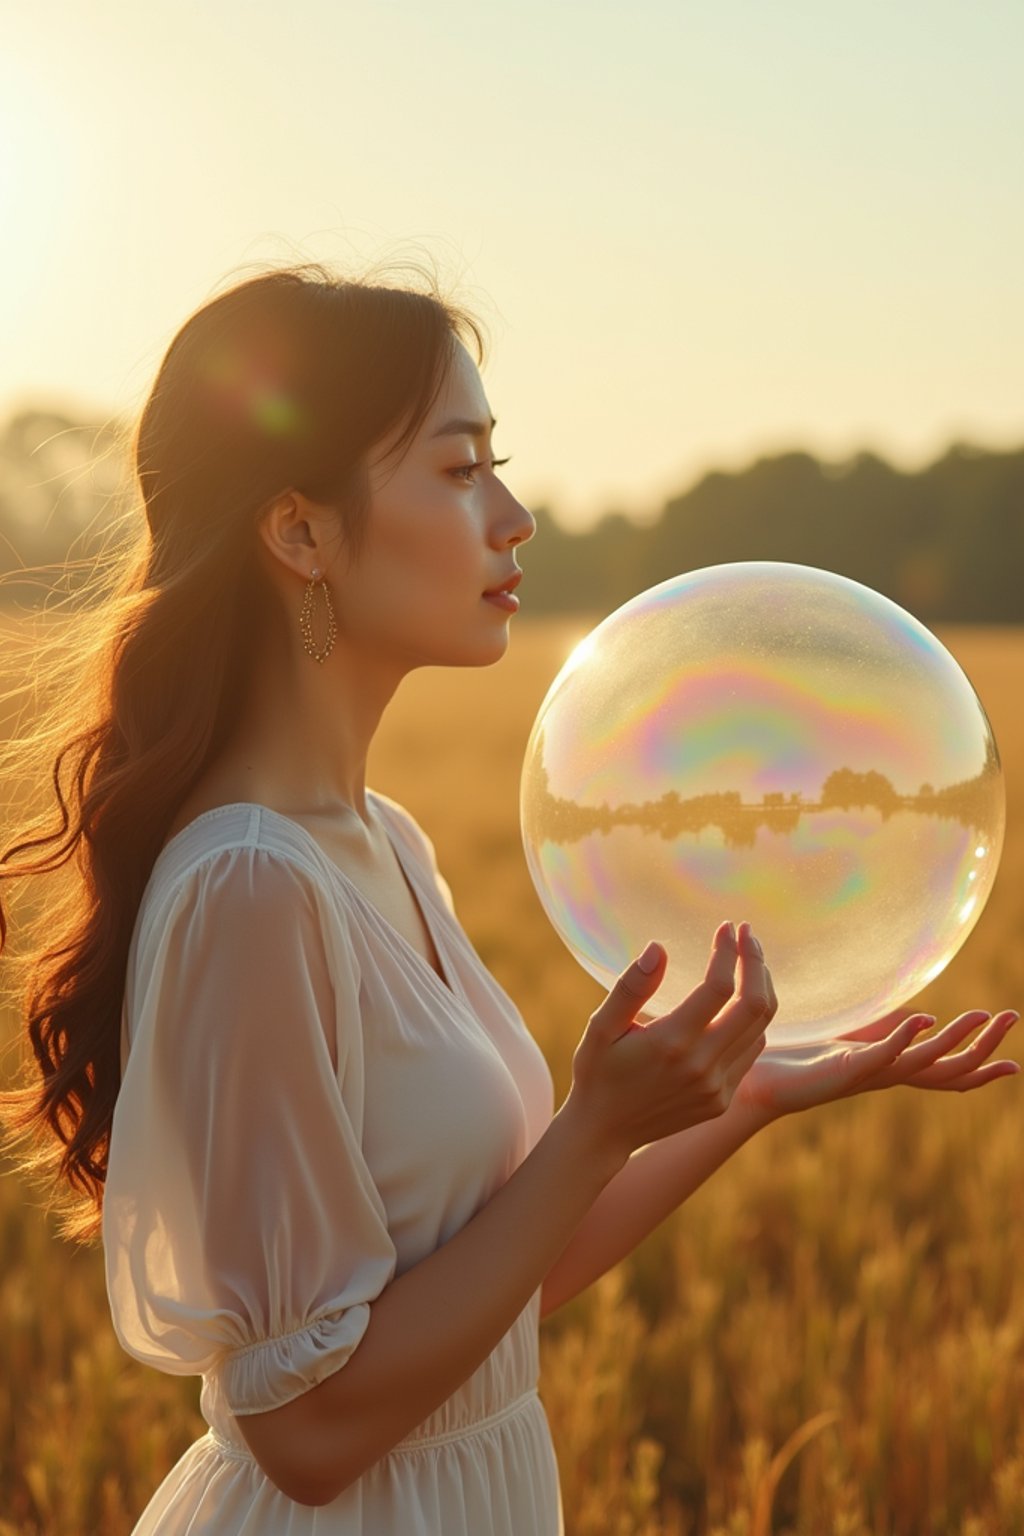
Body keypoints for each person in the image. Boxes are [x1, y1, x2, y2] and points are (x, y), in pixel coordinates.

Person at [0, 261, 1017, 1536]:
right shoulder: (253, 885)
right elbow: (307, 1435)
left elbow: (497, 1301)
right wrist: (595, 1124)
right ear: (300, 530)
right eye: (460, 466)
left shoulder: (382, 842)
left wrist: (745, 1096)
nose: (515, 513)